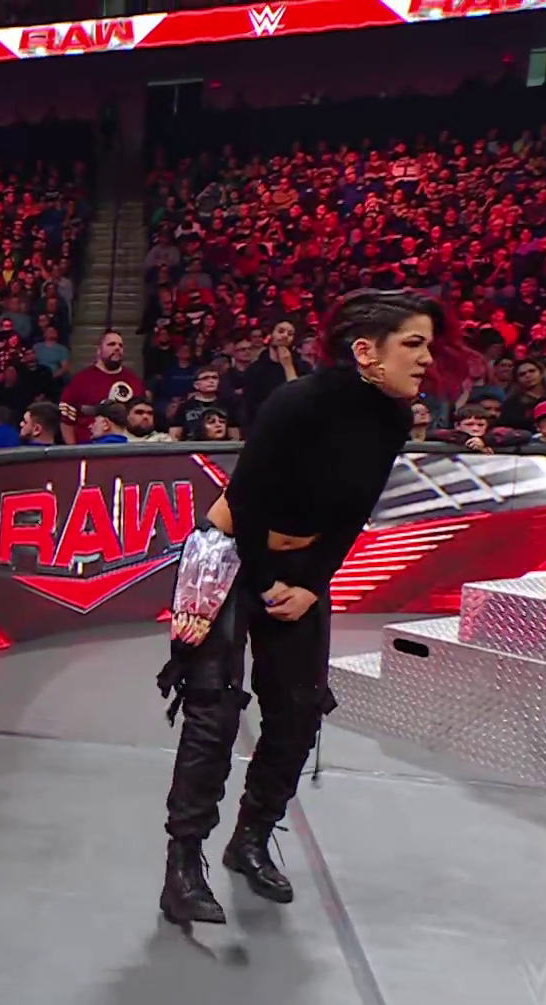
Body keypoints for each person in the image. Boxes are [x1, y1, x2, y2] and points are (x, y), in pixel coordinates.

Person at [156, 289, 447, 927]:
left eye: (427, 345)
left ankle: (251, 838)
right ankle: (183, 863)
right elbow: (248, 500)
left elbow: (353, 511)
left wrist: (313, 583)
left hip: (302, 568)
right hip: (229, 555)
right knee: (212, 707)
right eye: (413, 344)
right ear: (366, 351)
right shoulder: (297, 403)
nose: (427, 358)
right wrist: (267, 585)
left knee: (299, 707)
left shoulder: (394, 419)